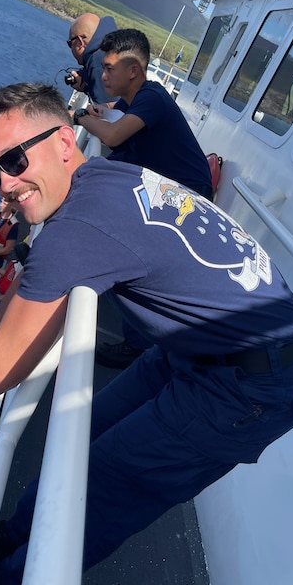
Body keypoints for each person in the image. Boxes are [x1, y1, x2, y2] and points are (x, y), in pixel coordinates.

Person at [0, 82, 293, 585]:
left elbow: (0, 366)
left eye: (14, 160)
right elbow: (36, 280)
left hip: (251, 389)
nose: (6, 184)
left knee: (100, 488)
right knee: (81, 438)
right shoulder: (103, 177)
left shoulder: (81, 223)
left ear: (64, 140)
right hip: (201, 351)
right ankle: (13, 537)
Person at [74, 28, 214, 367]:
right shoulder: (134, 99)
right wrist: (98, 112)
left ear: (133, 70)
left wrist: (78, 118)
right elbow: (111, 114)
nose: (103, 75)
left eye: (109, 69)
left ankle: (136, 344)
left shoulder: (152, 96)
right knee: (97, 179)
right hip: (166, 187)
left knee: (133, 256)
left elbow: (112, 132)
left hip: (185, 199)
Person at [66, 13, 118, 106]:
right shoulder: (117, 48)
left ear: (80, 42)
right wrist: (87, 87)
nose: (71, 48)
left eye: (70, 43)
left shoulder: (98, 62)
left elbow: (107, 113)